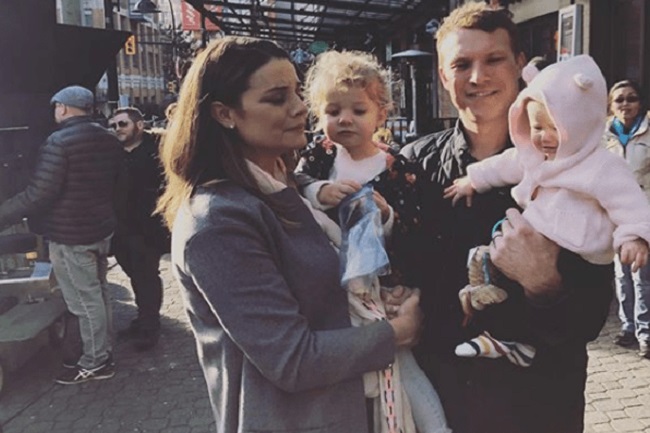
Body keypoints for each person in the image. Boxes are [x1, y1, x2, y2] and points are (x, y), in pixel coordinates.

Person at [155, 36, 423, 433]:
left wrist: (380, 297)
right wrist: (396, 333)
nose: (300, 108)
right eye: (277, 98)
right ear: (225, 113)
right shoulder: (217, 223)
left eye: (297, 92)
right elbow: (292, 359)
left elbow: (323, 285)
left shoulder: (286, 183)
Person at [397, 3, 613, 433]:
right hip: (440, 398)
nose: (477, 77)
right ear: (444, 76)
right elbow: (396, 272)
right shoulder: (413, 166)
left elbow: (590, 318)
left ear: (518, 65)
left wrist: (543, 282)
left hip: (537, 400)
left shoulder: (577, 170)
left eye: (493, 59)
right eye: (461, 64)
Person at [444, 55, 650, 365]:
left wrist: (634, 236)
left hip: (576, 253)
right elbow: (505, 164)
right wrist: (473, 179)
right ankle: (516, 341)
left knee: (536, 290)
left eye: (556, 127)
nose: (543, 136)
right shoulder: (536, 154)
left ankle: (513, 338)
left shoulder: (602, 165)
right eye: (537, 126)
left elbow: (630, 203)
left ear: (582, 122)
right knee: (507, 280)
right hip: (539, 235)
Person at [296, 50, 450, 433]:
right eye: (333, 111)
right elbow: (292, 188)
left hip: (381, 290)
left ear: (381, 114)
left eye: (358, 111)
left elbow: (419, 235)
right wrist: (318, 190)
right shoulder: (318, 157)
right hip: (328, 287)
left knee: (403, 368)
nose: (344, 119)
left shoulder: (399, 171)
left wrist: (387, 218)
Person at [0, 85, 123, 384]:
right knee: (99, 292)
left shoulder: (59, 142)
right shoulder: (108, 137)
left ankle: (96, 362)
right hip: (100, 229)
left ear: (64, 108)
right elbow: (119, 184)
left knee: (83, 301)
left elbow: (40, 193)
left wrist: (3, 212)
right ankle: (104, 351)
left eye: (56, 106)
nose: (55, 111)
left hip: (71, 235)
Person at [109, 107, 169, 351]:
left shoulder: (157, 149)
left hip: (148, 227)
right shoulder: (113, 153)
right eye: (113, 125)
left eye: (122, 124)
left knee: (146, 275)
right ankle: (143, 316)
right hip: (120, 227)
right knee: (134, 273)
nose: (117, 129)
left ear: (139, 125)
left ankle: (150, 326)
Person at [604, 79, 650, 359]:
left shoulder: (647, 132)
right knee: (621, 275)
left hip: (643, 214)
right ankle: (628, 327)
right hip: (615, 216)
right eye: (619, 99)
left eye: (631, 98)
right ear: (611, 105)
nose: (625, 104)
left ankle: (646, 334)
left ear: (640, 102)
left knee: (641, 276)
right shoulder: (603, 135)